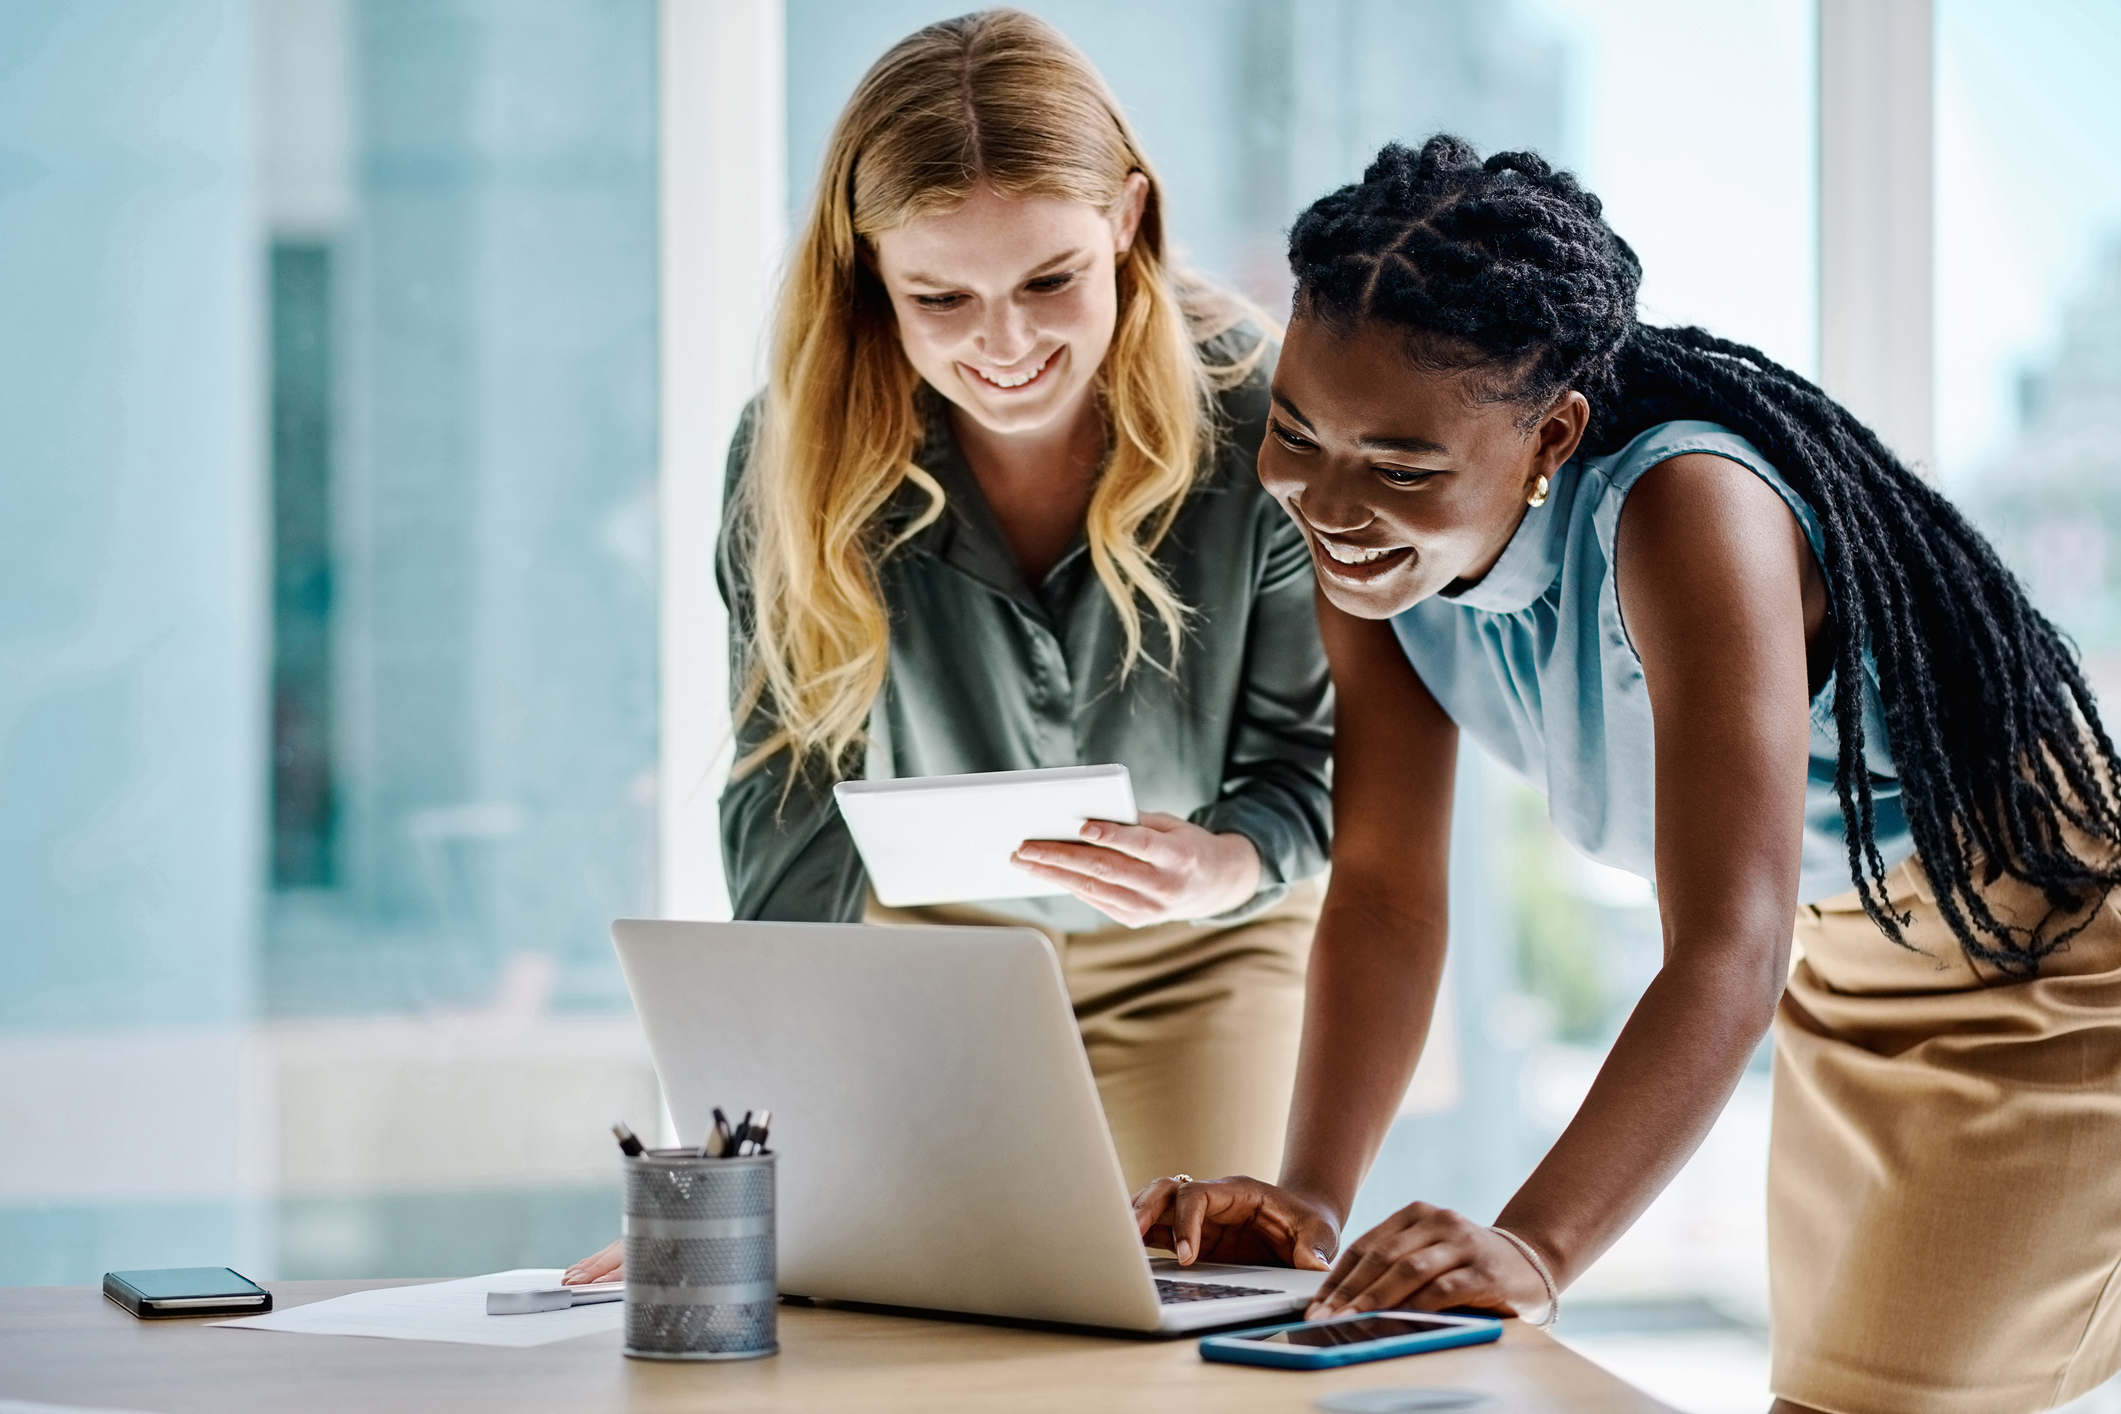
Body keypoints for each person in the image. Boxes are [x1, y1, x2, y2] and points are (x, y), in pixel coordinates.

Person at [1133, 135, 2121, 1414]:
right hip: (1844, 966)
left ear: (1554, 434)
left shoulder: (1688, 509)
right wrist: (1310, 1203)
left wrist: (1536, 1247)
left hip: (2038, 964)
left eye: (1401, 465)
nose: (1327, 497)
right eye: (1296, 430)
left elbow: (1727, 940)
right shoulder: (1370, 557)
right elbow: (1382, 888)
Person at [560, 10, 1332, 1288]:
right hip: (933, 955)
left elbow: (1312, 755)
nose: (1007, 343)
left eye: (1050, 279)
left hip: (1206, 943)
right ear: (870, 274)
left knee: (1186, 1305)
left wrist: (1222, 865)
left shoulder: (1263, 414)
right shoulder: (797, 455)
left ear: (1129, 218)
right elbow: (790, 807)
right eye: (940, 296)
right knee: (900, 1304)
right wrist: (751, 1158)